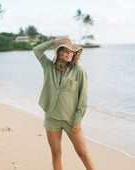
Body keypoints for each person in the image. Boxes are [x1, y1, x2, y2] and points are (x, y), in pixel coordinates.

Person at [33, 37, 95, 170]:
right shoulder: (48, 66)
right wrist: (54, 41)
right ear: (59, 52)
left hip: (71, 120)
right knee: (56, 153)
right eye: (65, 51)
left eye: (71, 51)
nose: (69, 54)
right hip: (51, 118)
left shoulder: (79, 72)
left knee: (83, 153)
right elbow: (37, 50)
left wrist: (78, 120)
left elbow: (82, 99)